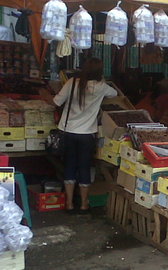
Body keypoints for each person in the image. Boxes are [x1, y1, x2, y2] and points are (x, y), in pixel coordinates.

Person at [41, 58, 117, 214]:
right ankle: (83, 205)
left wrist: (43, 94)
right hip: (87, 135)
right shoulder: (102, 87)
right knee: (84, 168)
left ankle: (69, 204)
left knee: (69, 166)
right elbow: (115, 93)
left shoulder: (72, 83)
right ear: (100, 72)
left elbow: (56, 102)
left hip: (68, 132)